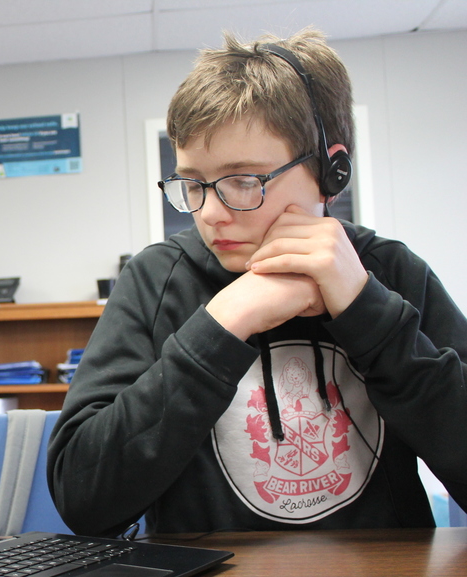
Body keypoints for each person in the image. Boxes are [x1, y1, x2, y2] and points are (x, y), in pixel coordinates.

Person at [47, 28, 467, 536]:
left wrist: (368, 312)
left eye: (244, 181)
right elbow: (83, 501)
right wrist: (224, 322)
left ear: (331, 172)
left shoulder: (392, 272)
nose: (211, 215)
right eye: (193, 184)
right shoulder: (156, 279)